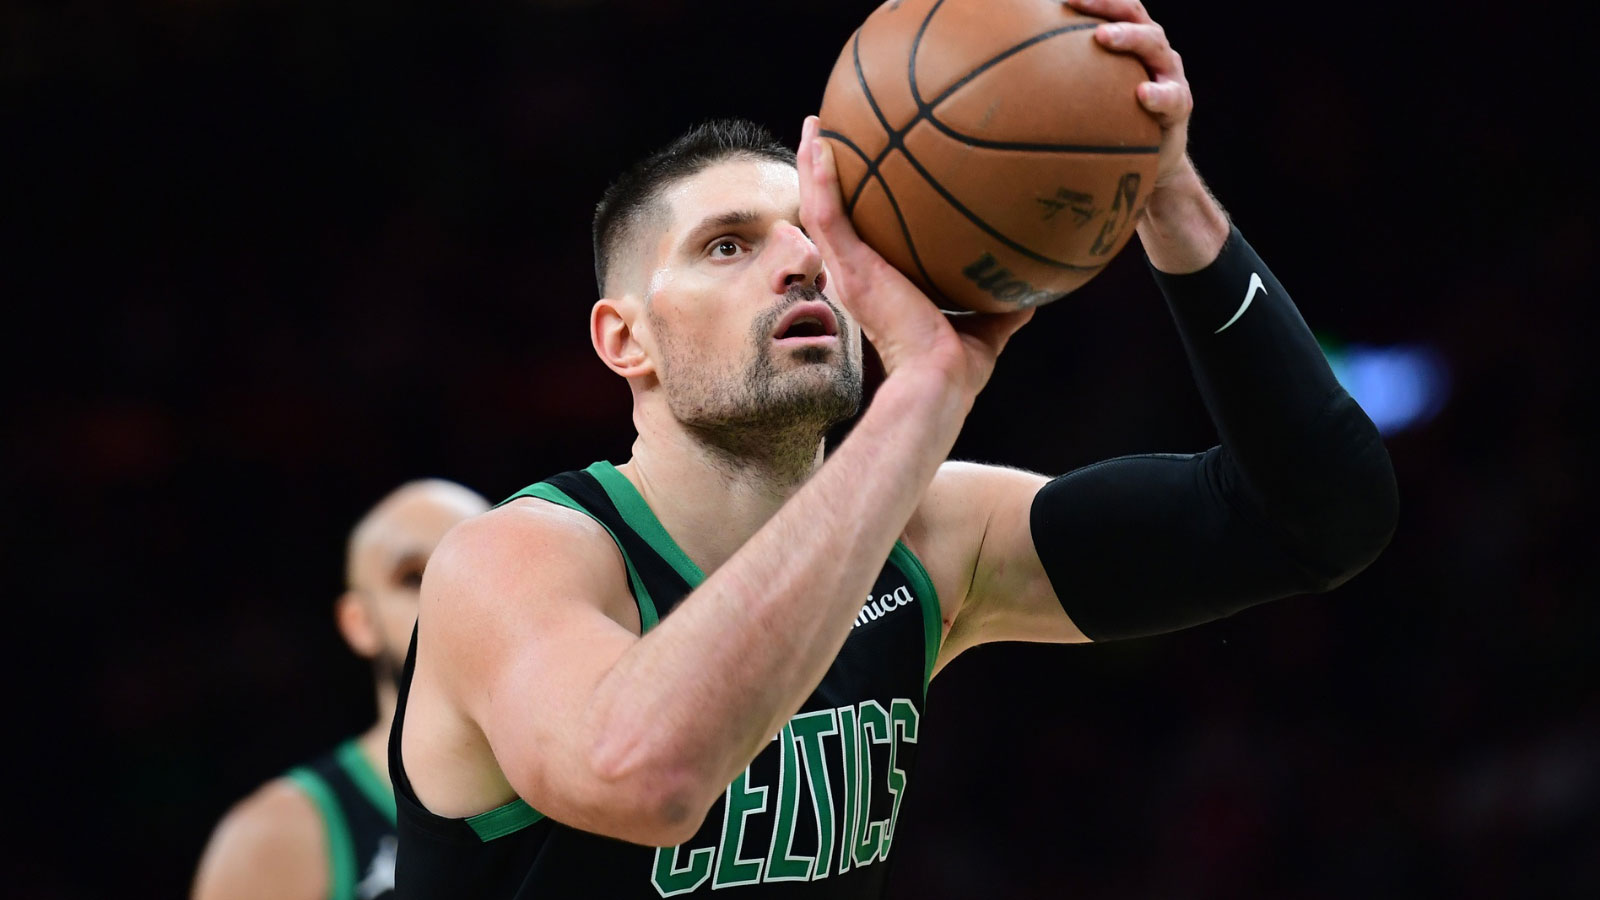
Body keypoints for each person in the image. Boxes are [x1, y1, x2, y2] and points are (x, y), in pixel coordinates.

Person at [389, 0, 1399, 896]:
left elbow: (1320, 520)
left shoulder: (930, 538)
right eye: (728, 245)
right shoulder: (517, 560)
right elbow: (647, 777)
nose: (800, 262)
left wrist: (1163, 187)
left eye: (816, 233)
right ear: (625, 340)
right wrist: (921, 398)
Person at [192, 480, 489, 900]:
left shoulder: (576, 790)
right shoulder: (277, 839)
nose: (449, 593)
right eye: (412, 577)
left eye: (476, 566)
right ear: (359, 623)